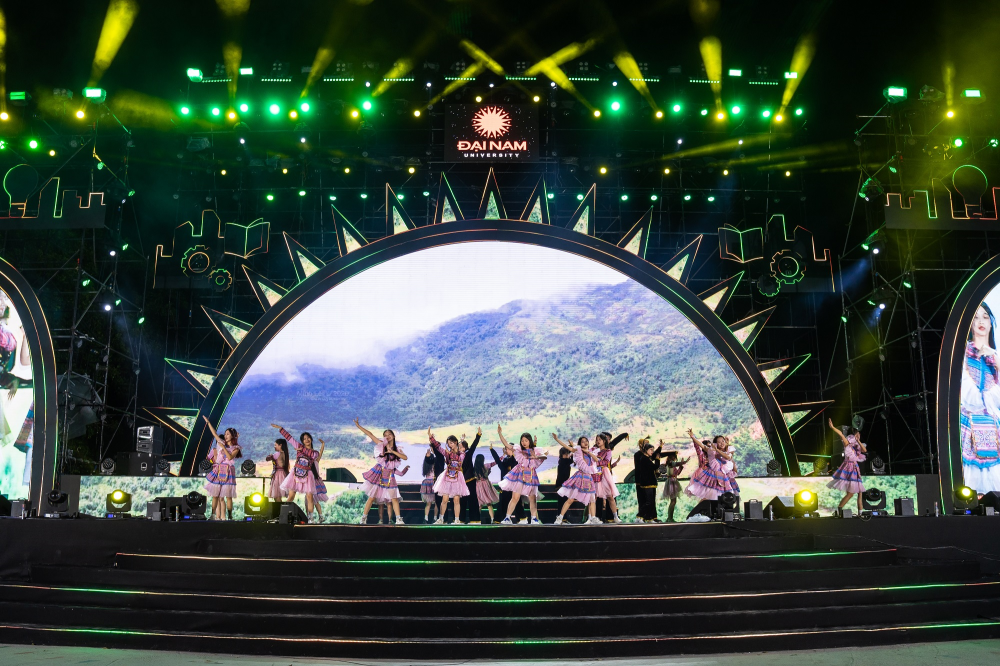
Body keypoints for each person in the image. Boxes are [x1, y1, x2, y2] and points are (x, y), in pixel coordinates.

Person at [961, 302, 1000, 492]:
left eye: (985, 317)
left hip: (993, 428)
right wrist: (989, 399)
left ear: (991, 322)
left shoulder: (995, 358)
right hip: (969, 425)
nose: (981, 321)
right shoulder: (962, 355)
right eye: (975, 317)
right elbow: (970, 398)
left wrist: (996, 359)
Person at [355, 419, 408, 525]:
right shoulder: (381, 444)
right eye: (385, 435)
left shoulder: (397, 449)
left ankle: (398, 519)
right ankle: (363, 518)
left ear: (393, 436)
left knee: (394, 498)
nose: (387, 436)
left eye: (389, 434)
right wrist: (358, 425)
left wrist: (392, 451)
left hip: (390, 475)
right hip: (379, 473)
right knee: (372, 497)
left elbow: (405, 457)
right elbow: (370, 434)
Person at [272, 423, 325, 519]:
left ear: (311, 439)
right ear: (302, 441)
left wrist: (301, 450)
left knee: (309, 497)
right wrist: (281, 429)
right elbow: (290, 439)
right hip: (296, 474)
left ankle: (310, 519)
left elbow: (311, 455)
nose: (307, 440)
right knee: (291, 496)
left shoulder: (315, 453)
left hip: (308, 475)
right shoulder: (299, 446)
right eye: (304, 439)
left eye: (308, 438)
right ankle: (282, 515)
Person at [497, 425, 546, 525]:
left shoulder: (535, 450)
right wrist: (500, 433)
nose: (524, 442)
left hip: (531, 475)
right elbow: (507, 445)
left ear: (529, 441)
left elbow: (544, 456)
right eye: (522, 440)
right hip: (520, 475)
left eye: (526, 440)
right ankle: (507, 518)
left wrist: (535, 456)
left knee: (532, 498)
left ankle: (534, 518)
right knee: (515, 497)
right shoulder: (519, 449)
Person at [551, 434, 599, 525]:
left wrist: (588, 452)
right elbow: (567, 448)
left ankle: (593, 518)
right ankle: (560, 517)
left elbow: (596, 460)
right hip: (580, 477)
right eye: (582, 442)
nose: (585, 443)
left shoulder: (590, 452)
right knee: (571, 499)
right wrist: (557, 439)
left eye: (586, 441)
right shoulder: (578, 451)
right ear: (580, 444)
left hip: (589, 478)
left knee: (592, 500)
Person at [202, 417, 242, 520]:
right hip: (219, 469)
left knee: (228, 496)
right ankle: (213, 514)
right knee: (215, 494)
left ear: (232, 436)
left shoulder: (236, 448)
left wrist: (223, 448)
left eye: (228, 434)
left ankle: (230, 515)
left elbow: (230, 457)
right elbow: (214, 433)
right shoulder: (221, 442)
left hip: (228, 470)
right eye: (225, 434)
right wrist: (208, 422)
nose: (225, 435)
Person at [429, 427, 469, 524]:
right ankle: (441, 518)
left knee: (456, 499)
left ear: (455, 442)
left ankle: (457, 520)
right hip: (447, 476)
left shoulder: (461, 453)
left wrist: (450, 453)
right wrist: (431, 437)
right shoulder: (447, 453)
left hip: (457, 477)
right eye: (448, 444)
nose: (450, 445)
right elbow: (438, 447)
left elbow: (459, 460)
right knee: (445, 499)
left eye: (451, 443)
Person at [827, 418, 867, 513]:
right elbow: (841, 434)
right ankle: (839, 510)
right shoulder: (847, 445)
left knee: (860, 492)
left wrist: (858, 441)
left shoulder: (857, 447)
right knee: (850, 494)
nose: (858, 435)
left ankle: (860, 513)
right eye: (857, 434)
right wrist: (832, 427)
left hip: (855, 468)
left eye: (859, 434)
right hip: (849, 468)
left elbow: (864, 450)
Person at [684, 429, 731, 501]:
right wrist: (693, 437)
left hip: (721, 477)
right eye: (719, 442)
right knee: (708, 497)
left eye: (723, 441)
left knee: (721, 498)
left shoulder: (727, 452)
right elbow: (702, 446)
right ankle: (701, 508)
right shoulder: (712, 451)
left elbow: (727, 457)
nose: (722, 443)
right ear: (715, 444)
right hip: (712, 476)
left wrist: (725, 446)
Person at [594, 431, 627, 523]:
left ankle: (614, 517)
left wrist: (624, 434)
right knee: (596, 497)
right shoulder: (594, 450)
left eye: (608, 439)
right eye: (597, 439)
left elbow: (605, 463)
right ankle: (595, 517)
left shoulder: (608, 450)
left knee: (610, 496)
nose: (599, 441)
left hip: (605, 474)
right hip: (596, 474)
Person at [491, 442, 525, 523]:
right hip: (506, 485)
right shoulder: (506, 459)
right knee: (502, 503)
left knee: (517, 503)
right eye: (506, 448)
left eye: (507, 448)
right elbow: (500, 464)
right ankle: (500, 519)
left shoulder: (517, 459)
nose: (506, 450)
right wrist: (492, 451)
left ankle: (522, 518)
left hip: (514, 484)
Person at [633, 438, 663, 523]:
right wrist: (657, 459)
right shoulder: (642, 457)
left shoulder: (647, 457)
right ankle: (640, 516)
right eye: (650, 450)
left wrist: (660, 447)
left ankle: (650, 518)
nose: (652, 451)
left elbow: (654, 455)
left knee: (651, 501)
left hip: (649, 482)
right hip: (646, 482)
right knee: (648, 501)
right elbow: (654, 466)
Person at [459, 429, 483, 523]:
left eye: (461, 447)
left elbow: (474, 445)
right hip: (461, 481)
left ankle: (475, 519)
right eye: (459, 447)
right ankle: (461, 519)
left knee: (472, 500)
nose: (460, 448)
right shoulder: (457, 456)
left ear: (465, 448)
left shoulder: (468, 454)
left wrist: (478, 435)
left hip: (470, 480)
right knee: (462, 501)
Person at [660, 451, 689, 522]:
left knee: (673, 501)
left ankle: (670, 518)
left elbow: (677, 473)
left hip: (673, 481)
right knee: (673, 501)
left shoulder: (671, 464)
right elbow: (676, 464)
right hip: (671, 483)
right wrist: (683, 462)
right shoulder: (670, 463)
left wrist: (681, 467)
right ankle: (669, 518)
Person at [473, 453, 499, 523]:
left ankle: (477, 520)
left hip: (478, 485)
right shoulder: (486, 466)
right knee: (489, 503)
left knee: (479, 504)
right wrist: (502, 456)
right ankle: (492, 519)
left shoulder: (474, 468)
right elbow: (495, 462)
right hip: (486, 484)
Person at [420, 448, 438, 524]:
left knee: (428, 503)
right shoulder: (434, 465)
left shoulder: (425, 465)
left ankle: (426, 518)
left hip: (427, 483)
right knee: (437, 502)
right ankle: (435, 518)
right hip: (434, 483)